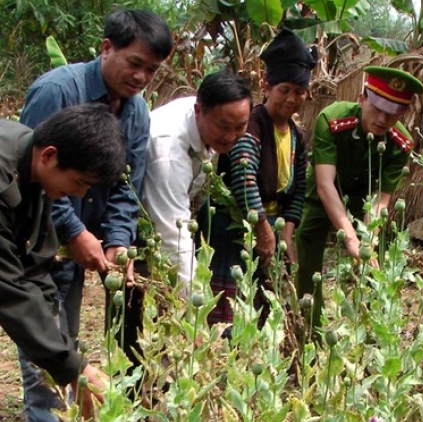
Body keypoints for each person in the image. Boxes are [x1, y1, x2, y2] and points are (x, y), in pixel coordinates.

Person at [16, 9, 172, 420]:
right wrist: (75, 231)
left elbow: (126, 185)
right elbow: (38, 174)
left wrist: (118, 241)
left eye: (151, 71)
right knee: (46, 349)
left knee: (63, 339)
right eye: (134, 64)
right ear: (106, 48)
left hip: (80, 244)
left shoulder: (136, 111)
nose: (141, 78)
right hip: (37, 237)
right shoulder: (57, 91)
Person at [1, 104, 126, 417]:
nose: (80, 196)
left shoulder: (31, 165)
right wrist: (72, 367)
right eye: (80, 183)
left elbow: (34, 267)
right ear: (50, 156)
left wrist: (67, 358)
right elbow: (7, 286)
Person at [295, 65, 423, 338]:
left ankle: (367, 331)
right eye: (376, 108)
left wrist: (367, 240)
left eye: (392, 114)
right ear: (362, 97)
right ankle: (309, 330)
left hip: (362, 200)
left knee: (373, 260)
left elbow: (381, 200)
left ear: (402, 114)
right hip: (323, 192)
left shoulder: (401, 143)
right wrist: (349, 238)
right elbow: (324, 184)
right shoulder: (331, 119)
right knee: (308, 244)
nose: (381, 119)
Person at [203, 28, 315, 326]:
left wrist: (287, 236)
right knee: (229, 310)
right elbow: (244, 176)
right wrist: (263, 229)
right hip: (236, 225)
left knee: (267, 309)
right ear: (267, 87)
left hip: (272, 228)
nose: (292, 99)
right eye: (284, 90)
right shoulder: (251, 124)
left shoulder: (296, 135)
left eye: (299, 92)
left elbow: (300, 186)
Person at [144, 70, 252, 294]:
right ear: (198, 111)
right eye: (223, 127)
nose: (231, 136)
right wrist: (193, 310)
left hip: (160, 227)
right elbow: (173, 235)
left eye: (239, 126)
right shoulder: (169, 153)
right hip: (141, 233)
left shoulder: (205, 118)